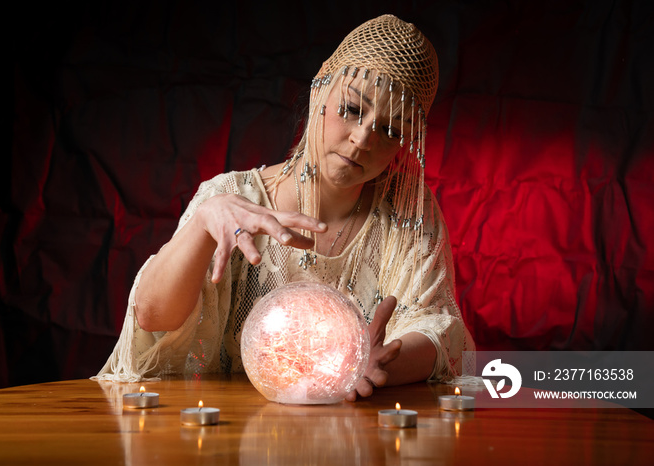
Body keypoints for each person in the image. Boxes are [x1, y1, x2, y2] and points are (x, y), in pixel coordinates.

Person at [94, 14, 476, 400]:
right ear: (320, 89)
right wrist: (203, 222)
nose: (363, 139)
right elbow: (152, 317)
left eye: (391, 130)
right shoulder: (231, 197)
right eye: (352, 109)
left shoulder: (408, 213)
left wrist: (378, 365)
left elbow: (441, 331)